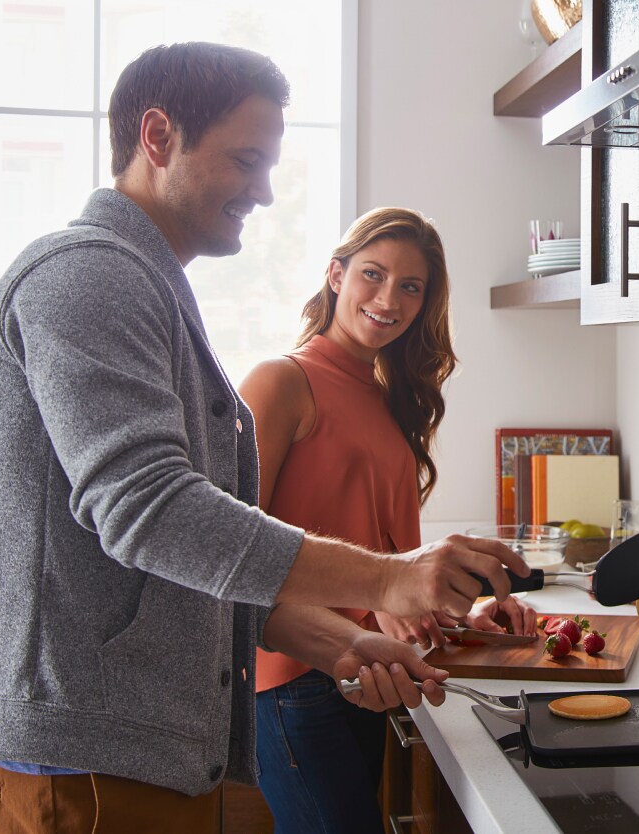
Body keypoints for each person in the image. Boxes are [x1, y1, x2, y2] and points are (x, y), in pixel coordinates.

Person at [0, 42, 528, 834]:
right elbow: (151, 513)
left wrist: (336, 643)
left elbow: (178, 570)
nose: (265, 192)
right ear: (158, 137)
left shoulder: (145, 288)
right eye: (247, 160)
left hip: (123, 757)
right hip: (80, 766)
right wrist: (385, 583)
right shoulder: (89, 275)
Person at [239, 208, 539, 831]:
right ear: (335, 276)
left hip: (373, 671)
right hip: (294, 679)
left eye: (411, 287)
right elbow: (234, 552)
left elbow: (389, 565)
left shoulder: (386, 398)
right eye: (372, 275)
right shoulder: (280, 383)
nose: (387, 299)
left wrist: (470, 615)